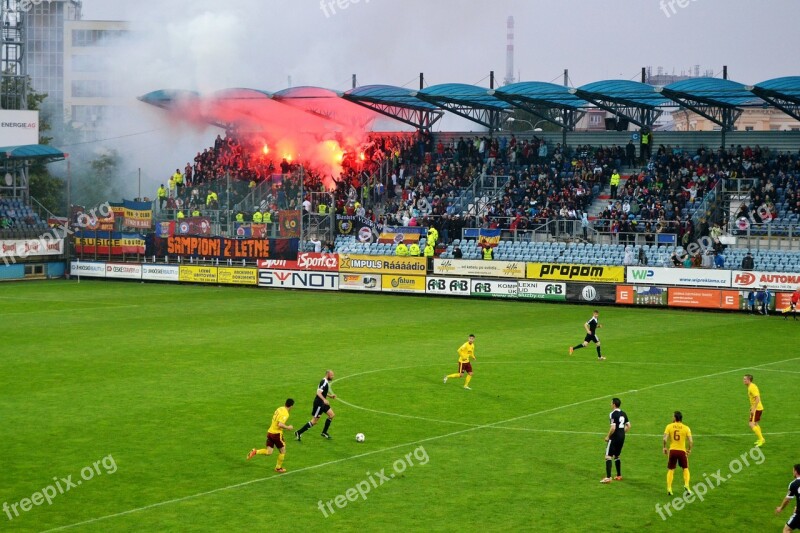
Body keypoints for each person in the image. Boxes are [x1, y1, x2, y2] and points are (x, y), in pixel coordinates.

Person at [247, 398, 294, 473]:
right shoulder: (286, 413)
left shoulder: (279, 408)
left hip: (270, 432)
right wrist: (288, 427)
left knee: (269, 452)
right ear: (291, 406)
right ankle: (278, 468)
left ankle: (255, 452)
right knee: (283, 451)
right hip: (276, 434)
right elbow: (280, 424)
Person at [295, 370, 336, 441]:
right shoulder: (324, 382)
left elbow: (323, 392)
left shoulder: (325, 381)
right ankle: (298, 432)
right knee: (314, 421)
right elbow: (318, 393)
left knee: (332, 415)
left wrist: (330, 396)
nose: (333, 377)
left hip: (323, 403)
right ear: (328, 374)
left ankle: (324, 432)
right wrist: (324, 400)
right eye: (332, 375)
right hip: (319, 404)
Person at [663, 410, 693, 496]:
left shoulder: (669, 426)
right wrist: (689, 449)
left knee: (671, 469)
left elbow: (664, 439)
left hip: (672, 451)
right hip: (682, 451)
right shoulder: (686, 428)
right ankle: (687, 485)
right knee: (685, 468)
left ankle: (669, 488)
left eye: (673, 416)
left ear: (675, 418)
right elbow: (691, 441)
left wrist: (664, 447)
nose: (672, 417)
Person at [601, 398, 630, 484]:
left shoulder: (612, 414)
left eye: (611, 403)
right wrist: (621, 432)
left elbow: (613, 427)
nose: (610, 404)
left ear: (614, 404)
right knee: (617, 455)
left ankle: (608, 477)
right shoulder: (623, 413)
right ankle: (619, 475)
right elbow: (628, 426)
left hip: (614, 437)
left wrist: (607, 436)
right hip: (622, 437)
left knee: (608, 456)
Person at [774, 464, 800, 532]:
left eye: (793, 470)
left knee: (786, 530)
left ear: (796, 471)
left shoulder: (794, 484)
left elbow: (787, 499)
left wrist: (781, 508)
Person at [744, 374, 765, 447]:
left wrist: (753, 408)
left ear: (749, 380)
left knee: (751, 424)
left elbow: (758, 398)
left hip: (757, 408)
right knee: (755, 424)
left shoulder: (751, 388)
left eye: (745, 379)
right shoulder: (751, 386)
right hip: (758, 408)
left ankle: (761, 439)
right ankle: (761, 439)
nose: (743, 381)